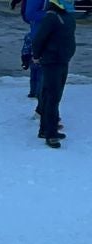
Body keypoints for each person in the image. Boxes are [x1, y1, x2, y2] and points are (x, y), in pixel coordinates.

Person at [32, 0, 77, 148]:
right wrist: (36, 55)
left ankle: (46, 129)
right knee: (51, 97)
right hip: (51, 61)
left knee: (53, 96)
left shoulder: (67, 17)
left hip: (62, 60)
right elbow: (39, 39)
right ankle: (50, 134)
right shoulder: (52, 17)